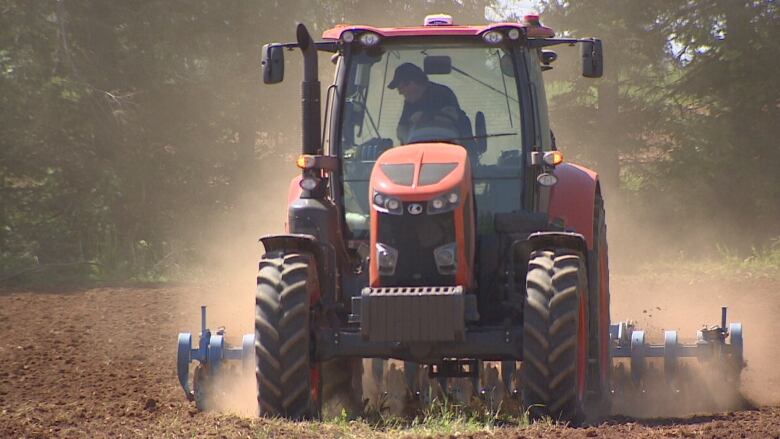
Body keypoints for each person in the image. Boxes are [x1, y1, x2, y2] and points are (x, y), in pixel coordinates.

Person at [388, 63, 465, 144]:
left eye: (401, 88)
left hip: (449, 148)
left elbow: (452, 117)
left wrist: (425, 117)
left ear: (412, 83)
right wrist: (407, 142)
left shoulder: (443, 93)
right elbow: (402, 128)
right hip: (418, 150)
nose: (400, 92)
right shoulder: (409, 102)